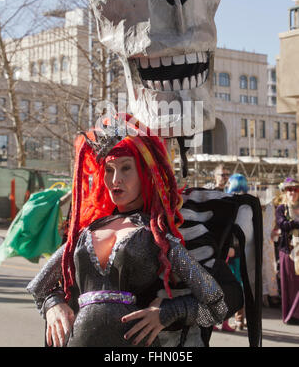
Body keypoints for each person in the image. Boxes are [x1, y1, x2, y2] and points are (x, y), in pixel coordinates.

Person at [27, 113, 227, 347]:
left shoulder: (157, 234)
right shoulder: (85, 232)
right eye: (109, 170)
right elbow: (39, 287)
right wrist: (53, 305)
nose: (115, 180)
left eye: (125, 168)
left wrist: (169, 313)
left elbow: (217, 307)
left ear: (145, 174)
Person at [225, 173, 248, 330]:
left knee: (238, 285)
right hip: (231, 251)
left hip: (237, 251)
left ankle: (238, 319)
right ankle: (229, 320)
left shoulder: (245, 204)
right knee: (234, 285)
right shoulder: (230, 202)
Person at [275, 177, 299, 325]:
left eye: (295, 189)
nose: (292, 192)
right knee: (289, 284)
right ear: (285, 191)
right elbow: (283, 225)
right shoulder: (281, 208)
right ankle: (291, 316)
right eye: (289, 189)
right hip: (287, 250)